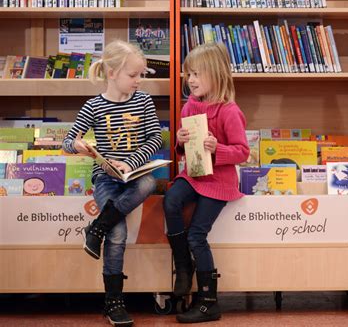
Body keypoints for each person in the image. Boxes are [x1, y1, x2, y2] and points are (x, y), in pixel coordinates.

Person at [62, 40, 162, 327]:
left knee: (148, 185)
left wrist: (130, 162)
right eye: (133, 75)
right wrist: (78, 146)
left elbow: (156, 138)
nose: (138, 81)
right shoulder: (93, 106)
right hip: (106, 176)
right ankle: (113, 303)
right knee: (117, 236)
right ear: (112, 73)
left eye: (141, 75)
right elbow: (68, 142)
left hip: (135, 173)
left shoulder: (142, 101)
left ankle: (96, 228)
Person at [163, 42, 249, 323]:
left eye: (197, 74)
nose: (190, 80)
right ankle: (183, 266)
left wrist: (218, 149)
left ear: (216, 74)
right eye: (188, 74)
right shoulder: (189, 107)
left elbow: (243, 152)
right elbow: (185, 151)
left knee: (197, 235)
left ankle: (209, 301)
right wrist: (180, 142)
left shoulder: (229, 111)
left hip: (219, 181)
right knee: (171, 200)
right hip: (195, 173)